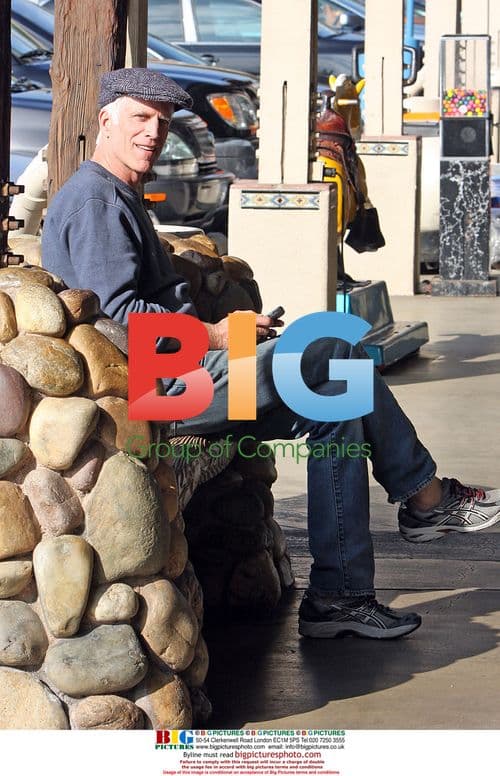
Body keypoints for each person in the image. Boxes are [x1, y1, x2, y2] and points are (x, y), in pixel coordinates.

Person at [42, 68, 500, 640]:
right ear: (105, 120)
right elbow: (120, 320)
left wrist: (226, 334)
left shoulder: (117, 193)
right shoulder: (94, 201)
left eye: (161, 124)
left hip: (181, 377)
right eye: (140, 119)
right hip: (158, 391)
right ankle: (425, 495)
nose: (152, 134)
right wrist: (219, 336)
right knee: (331, 345)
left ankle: (339, 598)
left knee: (340, 401)